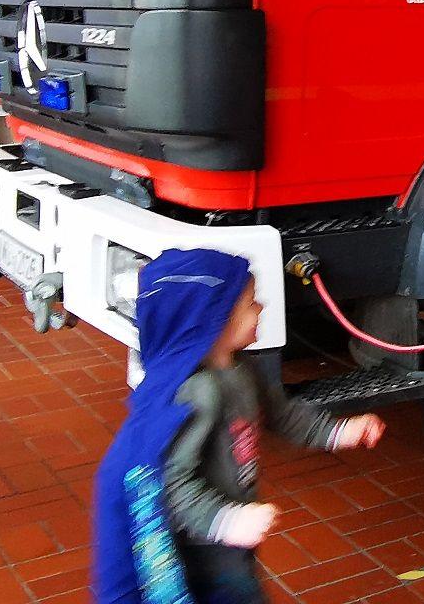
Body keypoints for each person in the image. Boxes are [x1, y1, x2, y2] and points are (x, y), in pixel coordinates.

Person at [92, 249, 386, 604]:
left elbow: (282, 414)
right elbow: (173, 485)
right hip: (203, 546)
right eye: (249, 304)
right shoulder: (198, 393)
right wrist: (226, 522)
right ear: (214, 320)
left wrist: (339, 431)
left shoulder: (244, 369)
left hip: (233, 532)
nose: (261, 308)